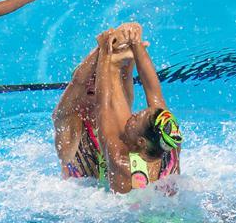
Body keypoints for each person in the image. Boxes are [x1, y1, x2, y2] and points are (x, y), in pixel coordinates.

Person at [53, 22, 182, 192]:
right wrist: (133, 42)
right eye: (91, 78)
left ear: (141, 141)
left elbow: (106, 92)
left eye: (97, 77)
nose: (94, 82)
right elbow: (78, 82)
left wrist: (106, 47)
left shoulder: (121, 149)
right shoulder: (69, 122)